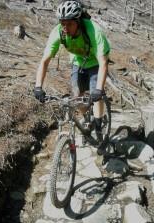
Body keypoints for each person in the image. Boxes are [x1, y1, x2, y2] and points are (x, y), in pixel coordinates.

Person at [33, 0, 110, 142]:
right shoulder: (58, 32)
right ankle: (87, 117)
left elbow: (103, 63)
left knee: (96, 91)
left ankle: (99, 128)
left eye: (69, 23)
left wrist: (98, 90)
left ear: (78, 21)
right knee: (76, 95)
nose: (65, 27)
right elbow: (44, 61)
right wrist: (38, 87)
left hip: (96, 62)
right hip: (78, 62)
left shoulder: (94, 31)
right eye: (62, 23)